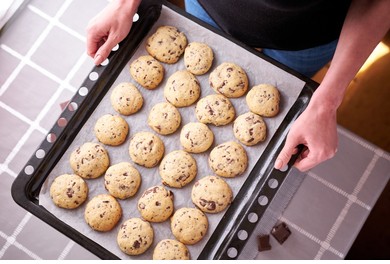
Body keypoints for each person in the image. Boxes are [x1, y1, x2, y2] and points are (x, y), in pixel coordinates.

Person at [86, 0, 390, 172]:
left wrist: (326, 102)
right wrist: (124, 4)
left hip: (308, 39)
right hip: (210, 8)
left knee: (287, 83)